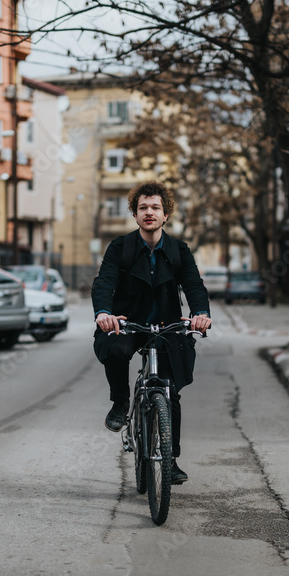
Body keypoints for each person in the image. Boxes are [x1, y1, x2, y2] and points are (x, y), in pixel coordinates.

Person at [91, 181, 212, 485]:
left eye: (155, 207)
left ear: (165, 214)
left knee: (169, 391)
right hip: (128, 322)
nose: (149, 212)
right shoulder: (121, 247)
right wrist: (103, 313)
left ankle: (170, 461)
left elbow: (194, 284)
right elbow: (104, 281)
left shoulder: (178, 249)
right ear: (135, 214)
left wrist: (201, 313)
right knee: (116, 351)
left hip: (167, 324)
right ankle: (120, 402)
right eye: (143, 207)